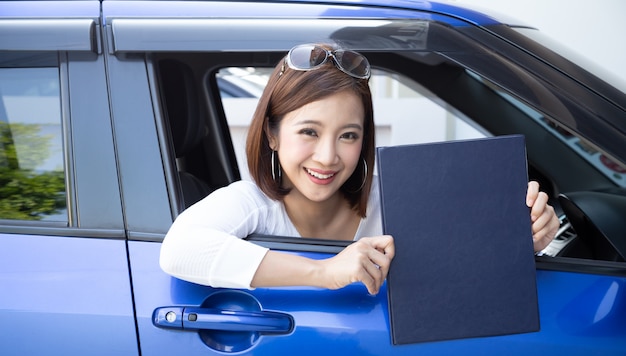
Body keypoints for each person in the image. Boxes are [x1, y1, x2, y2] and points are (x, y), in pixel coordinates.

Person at [159, 43, 560, 296]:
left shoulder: (399, 195)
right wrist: (325, 272)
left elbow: (470, 248)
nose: (328, 157)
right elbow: (179, 250)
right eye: (309, 132)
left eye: (348, 136)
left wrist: (524, 236)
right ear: (272, 135)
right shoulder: (252, 204)